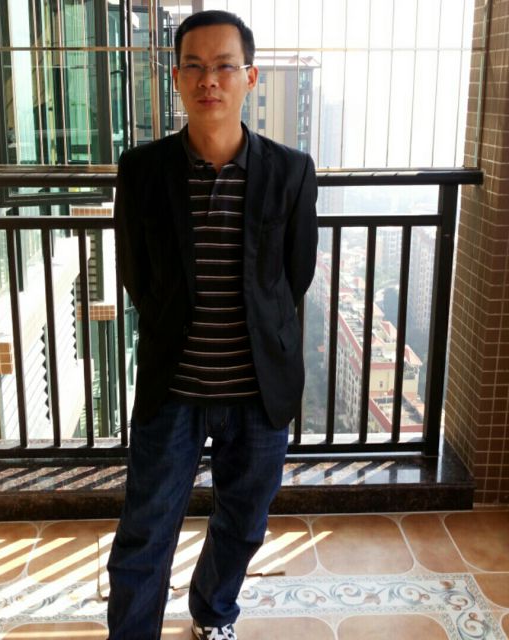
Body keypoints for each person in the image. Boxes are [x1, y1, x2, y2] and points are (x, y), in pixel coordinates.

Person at [107, 10, 318, 640]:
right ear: (176, 77)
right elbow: (136, 273)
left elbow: (294, 276)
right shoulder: (142, 170)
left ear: (249, 76)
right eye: (194, 66)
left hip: (259, 390)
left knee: (244, 521)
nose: (209, 80)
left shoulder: (290, 171)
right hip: (173, 387)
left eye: (225, 66)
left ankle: (213, 610)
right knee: (146, 530)